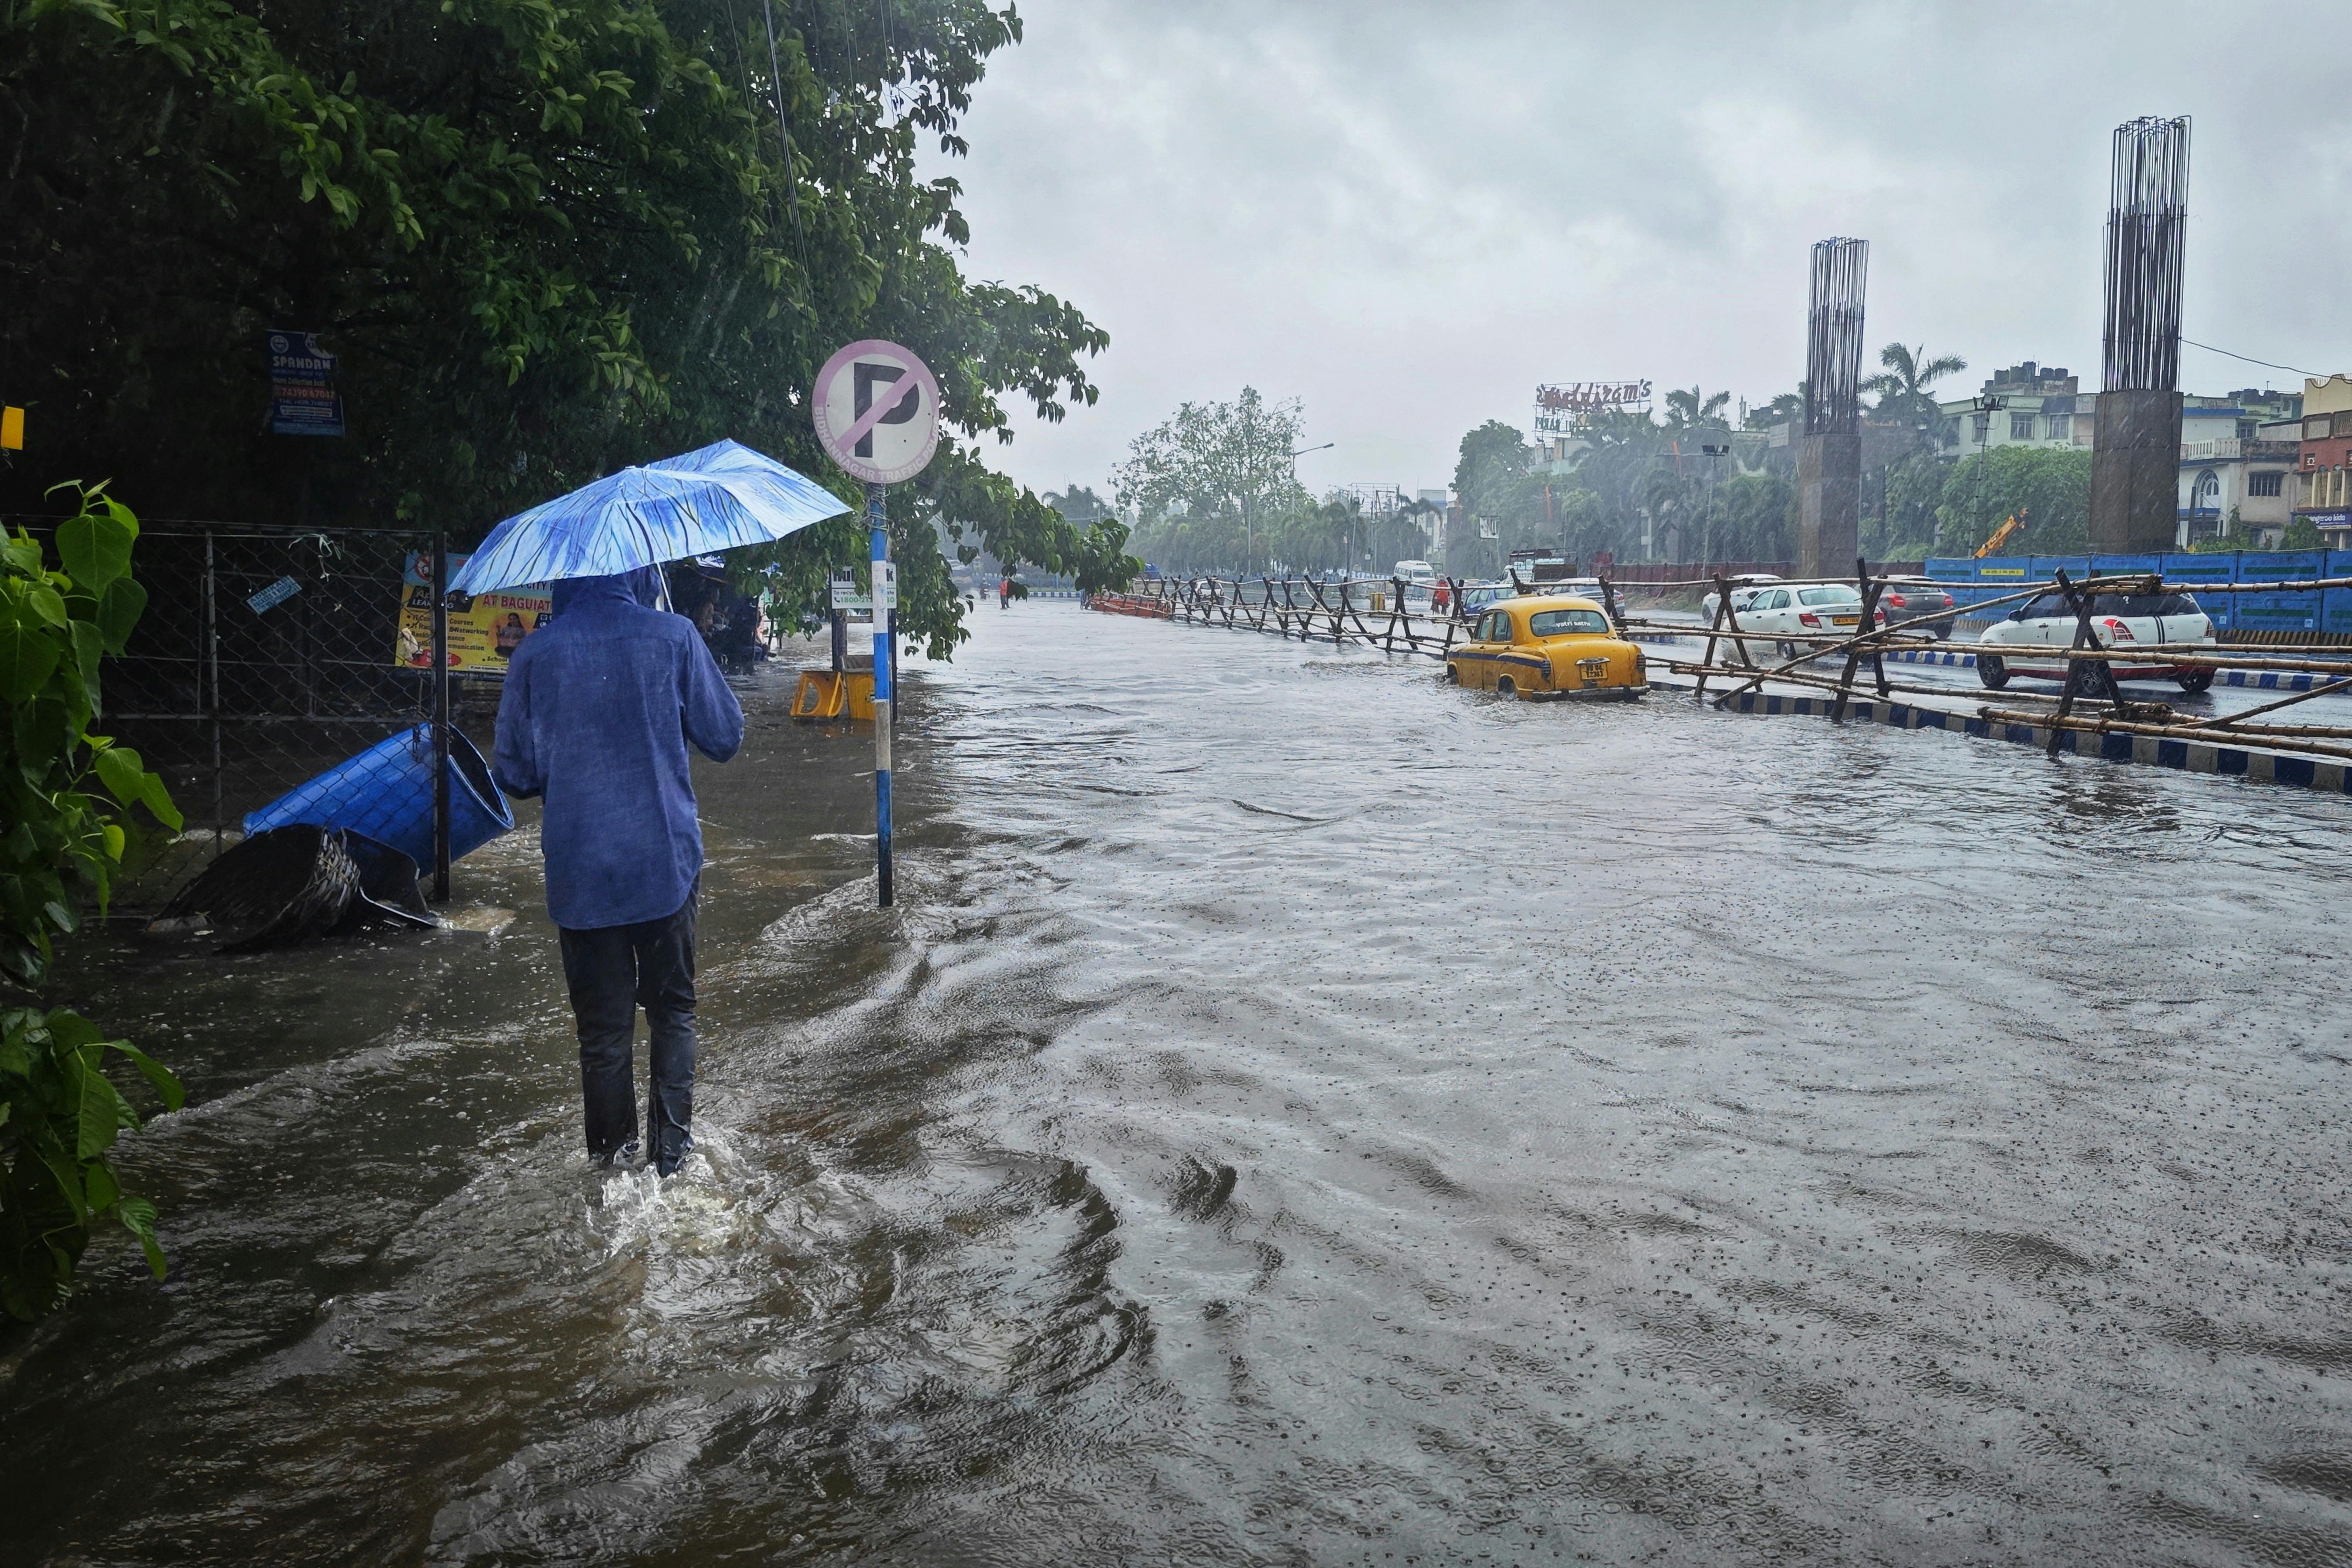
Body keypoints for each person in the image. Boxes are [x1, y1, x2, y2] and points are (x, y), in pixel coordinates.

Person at [492, 565, 743, 1176]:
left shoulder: (533, 655)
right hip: (665, 867)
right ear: (637, 572)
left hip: (582, 875)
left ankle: (610, 1177)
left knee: (603, 1038)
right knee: (672, 1014)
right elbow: (726, 735)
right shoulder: (674, 636)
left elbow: (513, 774)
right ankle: (671, 1166)